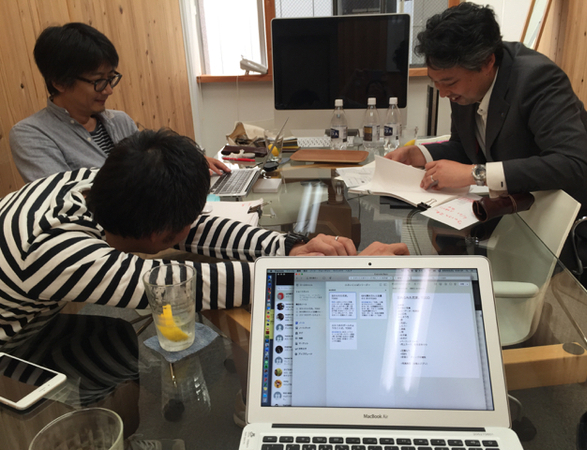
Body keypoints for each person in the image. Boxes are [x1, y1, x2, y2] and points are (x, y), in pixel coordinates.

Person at [0, 128, 409, 350]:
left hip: (45, 303)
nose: (197, 223)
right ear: (160, 235)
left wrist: (287, 247)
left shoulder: (97, 183)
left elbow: (200, 228)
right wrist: (319, 270)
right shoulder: (52, 248)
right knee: (117, 352)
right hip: (14, 343)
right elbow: (179, 285)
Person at [385, 2, 587, 280]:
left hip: (572, 230)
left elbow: (573, 164)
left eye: (449, 82)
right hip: (514, 211)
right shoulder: (465, 87)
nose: (443, 93)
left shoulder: (537, 79)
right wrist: (420, 154)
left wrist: (476, 174)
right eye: (435, 82)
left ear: (487, 62)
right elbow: (466, 147)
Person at [9, 22, 227, 183]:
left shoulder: (119, 120)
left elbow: (151, 162)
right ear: (59, 82)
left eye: (111, 78)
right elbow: (65, 199)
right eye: (98, 81)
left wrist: (188, 162)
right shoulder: (31, 134)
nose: (109, 90)